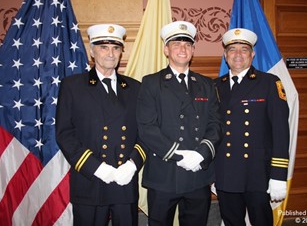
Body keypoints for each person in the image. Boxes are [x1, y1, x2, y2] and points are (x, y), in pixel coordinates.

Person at [56, 23, 147, 226]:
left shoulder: (135, 88)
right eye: (104, 47)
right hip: (89, 181)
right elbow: (65, 134)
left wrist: (132, 165)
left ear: (122, 51)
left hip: (124, 180)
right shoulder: (72, 86)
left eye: (116, 47)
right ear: (92, 51)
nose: (110, 53)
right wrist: (97, 168)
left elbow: (145, 132)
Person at [136, 21, 222, 226]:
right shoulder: (151, 82)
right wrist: (179, 155)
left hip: (197, 174)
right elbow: (147, 127)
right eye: (176, 44)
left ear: (193, 50)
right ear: (166, 49)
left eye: (187, 44)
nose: (182, 49)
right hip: (164, 173)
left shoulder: (206, 84)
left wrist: (202, 152)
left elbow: (216, 123)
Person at [214, 28, 290, 226]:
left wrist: (278, 175)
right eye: (232, 49)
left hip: (257, 173)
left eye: (244, 49)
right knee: (231, 221)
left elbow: (281, 131)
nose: (238, 54)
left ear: (252, 54)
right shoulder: (215, 86)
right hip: (225, 172)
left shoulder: (269, 83)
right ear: (225, 54)